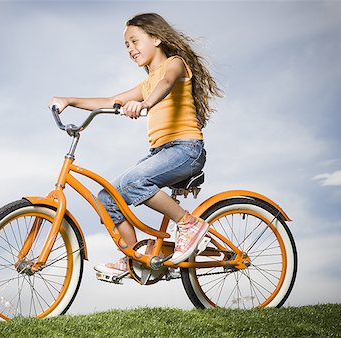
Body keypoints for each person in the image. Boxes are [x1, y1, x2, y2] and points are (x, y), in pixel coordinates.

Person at [49, 13, 222, 277]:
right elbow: (111, 100)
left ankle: (189, 224)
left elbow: (166, 83)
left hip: (186, 150)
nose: (130, 49)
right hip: (162, 152)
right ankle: (135, 259)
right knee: (108, 199)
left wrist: (145, 104)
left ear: (156, 38)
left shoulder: (175, 64)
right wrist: (70, 100)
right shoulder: (146, 83)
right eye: (126, 45)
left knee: (132, 183)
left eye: (134, 41)